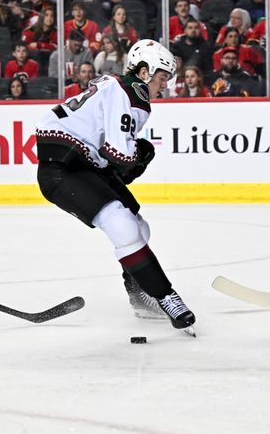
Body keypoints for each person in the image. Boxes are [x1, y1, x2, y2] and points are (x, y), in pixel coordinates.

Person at [36, 39, 196, 334]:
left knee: (138, 226)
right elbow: (120, 154)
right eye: (162, 78)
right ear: (145, 72)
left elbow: (109, 153)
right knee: (122, 224)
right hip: (62, 168)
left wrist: (131, 160)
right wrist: (139, 158)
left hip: (81, 163)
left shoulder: (114, 84)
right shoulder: (132, 92)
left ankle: (141, 297)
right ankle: (166, 297)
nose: (164, 87)